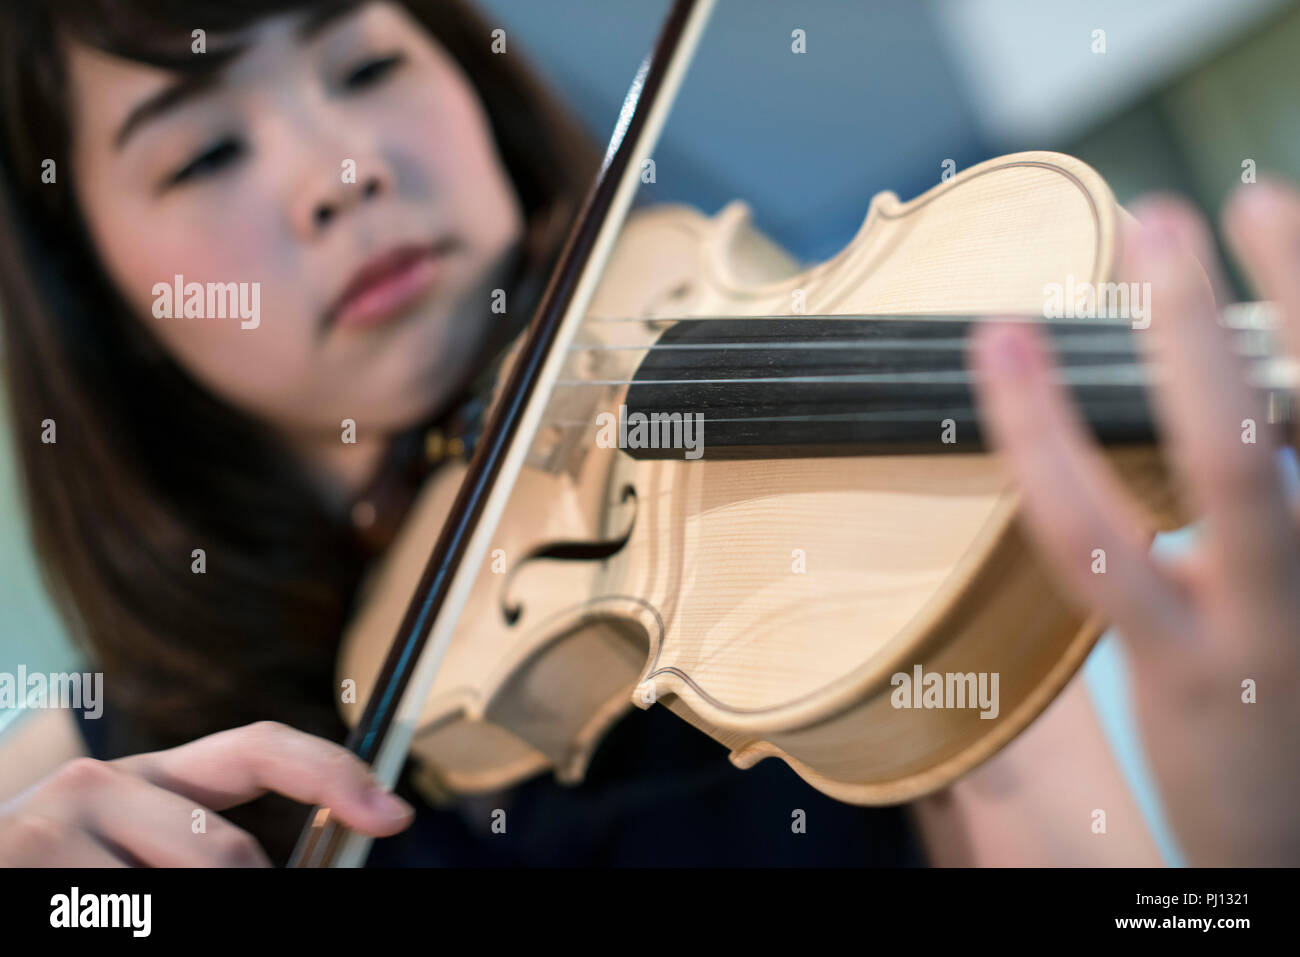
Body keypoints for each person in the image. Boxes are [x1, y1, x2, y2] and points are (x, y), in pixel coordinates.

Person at [0, 0, 1292, 867]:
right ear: (98, 300)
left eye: (369, 65)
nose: (343, 171)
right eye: (205, 150)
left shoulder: (826, 550)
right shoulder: (104, 789)